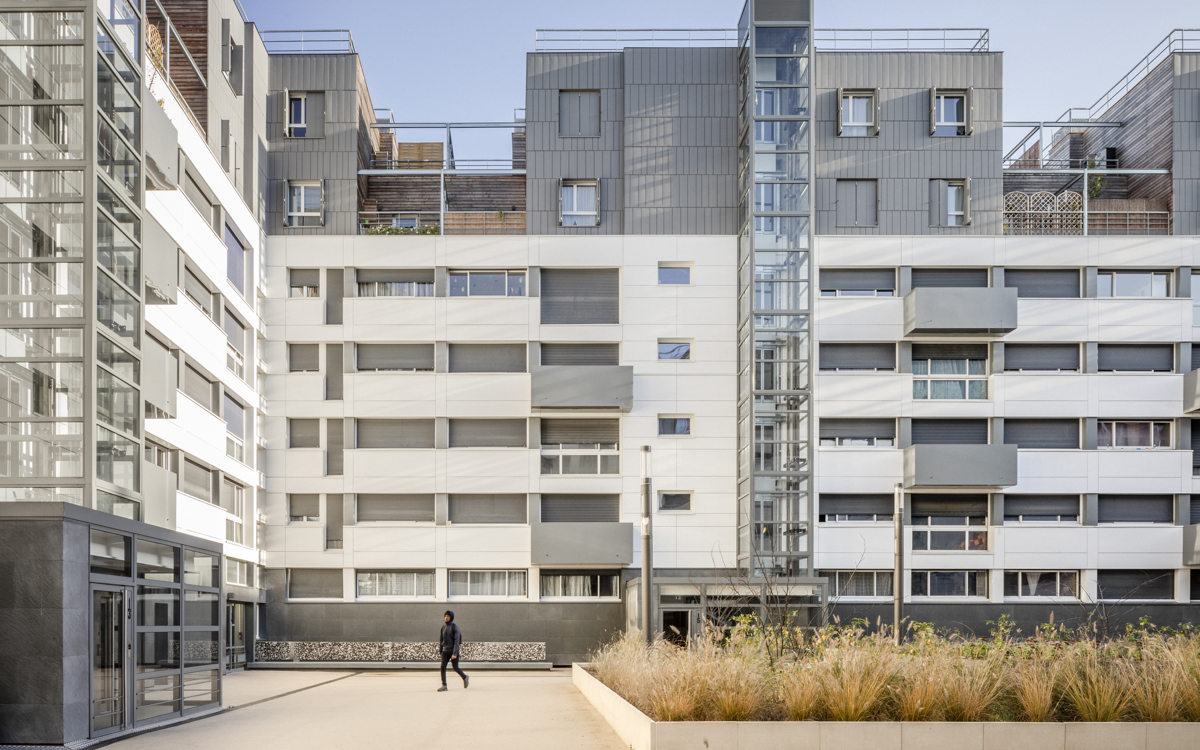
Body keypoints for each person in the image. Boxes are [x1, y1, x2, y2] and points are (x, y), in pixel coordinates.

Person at [438, 610, 468, 691]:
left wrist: (455, 653)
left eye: (448, 616)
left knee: (455, 668)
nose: (446, 618)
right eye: (445, 616)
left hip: (453, 651)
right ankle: (444, 685)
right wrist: (440, 651)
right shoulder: (443, 627)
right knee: (442, 667)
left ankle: (465, 677)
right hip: (445, 651)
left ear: (451, 617)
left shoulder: (455, 628)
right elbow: (441, 640)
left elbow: (456, 641)